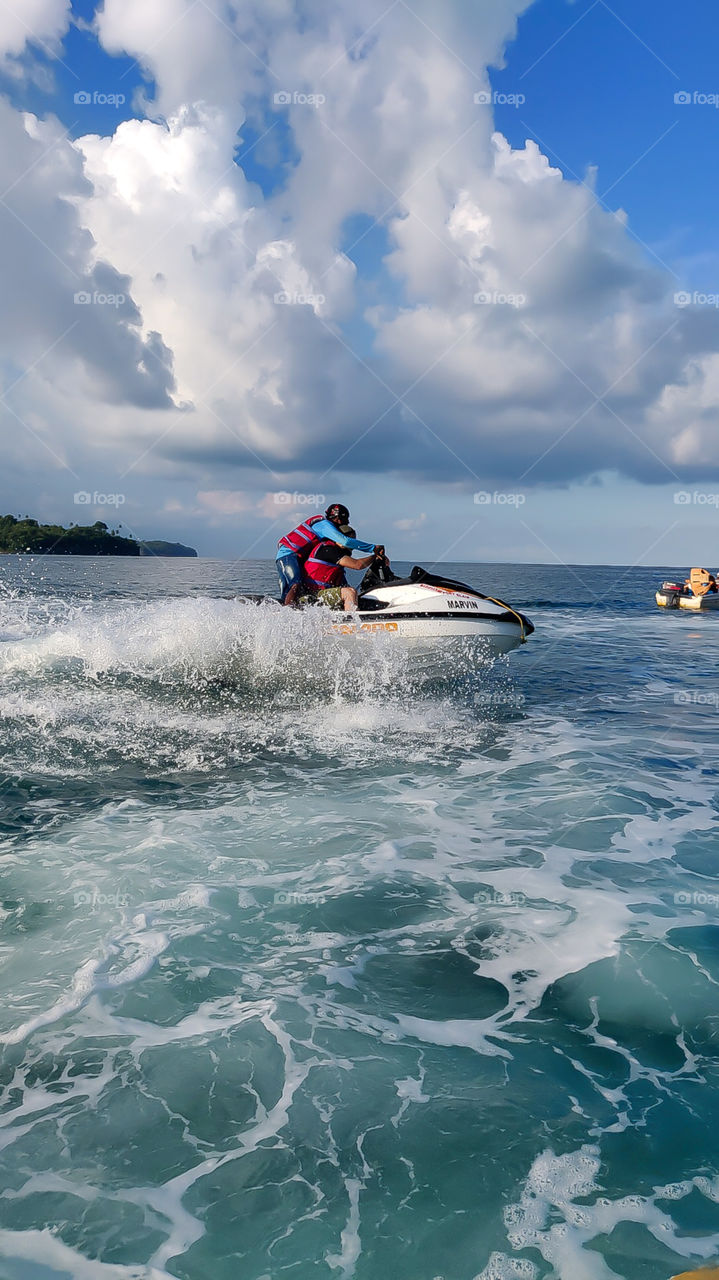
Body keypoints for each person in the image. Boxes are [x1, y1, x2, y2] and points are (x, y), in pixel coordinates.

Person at [276, 503, 380, 607]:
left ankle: (288, 606)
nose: (348, 522)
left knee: (290, 590)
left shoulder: (325, 537)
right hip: (288, 554)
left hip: (297, 556)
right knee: (295, 584)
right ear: (338, 518)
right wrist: (373, 549)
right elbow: (346, 542)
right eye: (346, 519)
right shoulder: (324, 526)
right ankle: (288, 612)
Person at [301, 525, 387, 612]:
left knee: (360, 598)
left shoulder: (336, 560)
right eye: (350, 541)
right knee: (349, 593)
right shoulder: (327, 550)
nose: (351, 547)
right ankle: (350, 621)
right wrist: (375, 556)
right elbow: (357, 565)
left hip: (324, 593)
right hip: (314, 595)